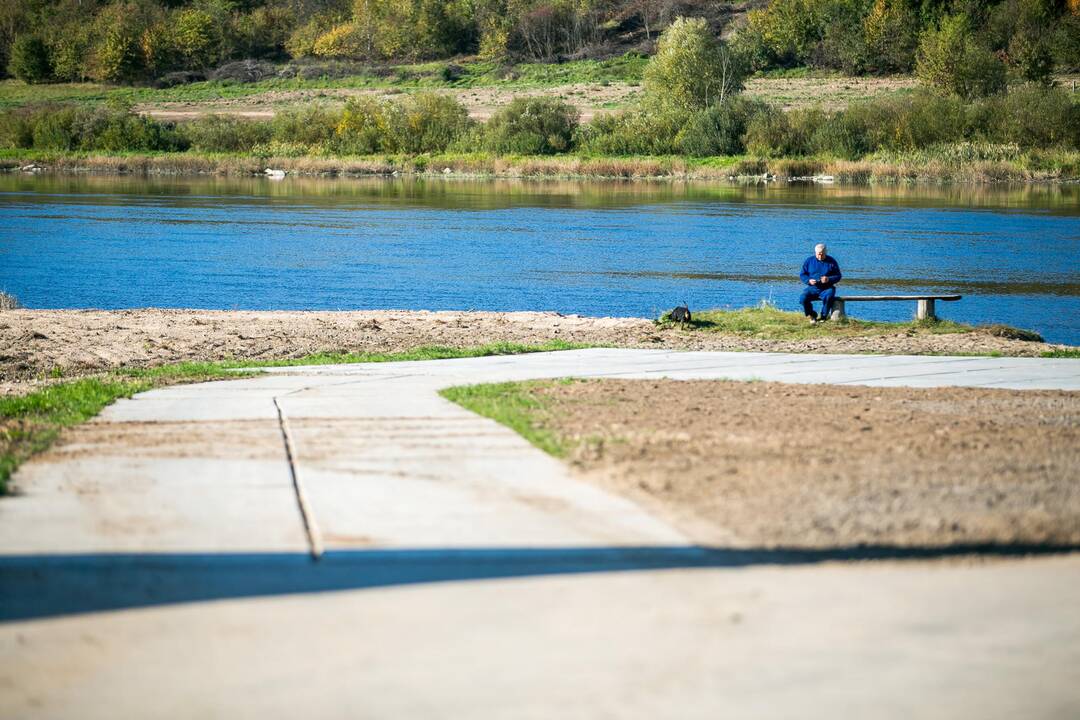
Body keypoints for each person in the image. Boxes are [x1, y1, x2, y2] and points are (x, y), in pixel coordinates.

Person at [799, 243, 842, 322]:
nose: (820, 256)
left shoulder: (832, 261)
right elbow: (802, 275)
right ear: (815, 252)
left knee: (829, 296)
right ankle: (812, 314)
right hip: (813, 287)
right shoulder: (809, 261)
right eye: (818, 254)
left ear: (826, 252)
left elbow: (838, 276)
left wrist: (828, 279)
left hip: (827, 288)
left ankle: (823, 317)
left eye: (822, 254)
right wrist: (808, 280)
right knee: (802, 299)